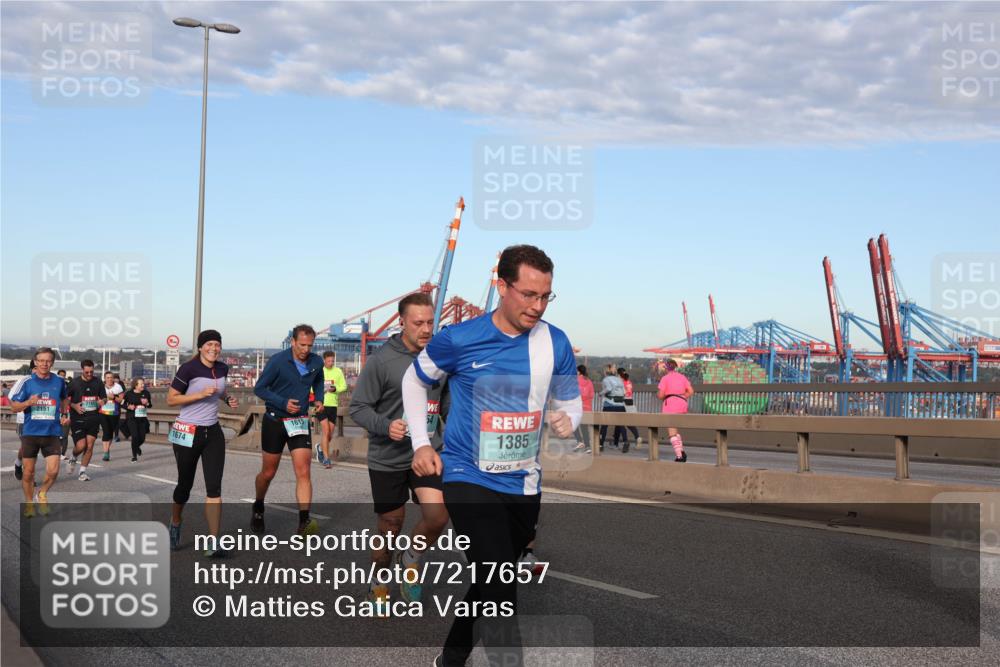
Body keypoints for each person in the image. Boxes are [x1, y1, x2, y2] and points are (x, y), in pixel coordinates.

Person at [402, 244, 581, 667]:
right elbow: (415, 381)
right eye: (528, 294)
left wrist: (568, 419)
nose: (537, 306)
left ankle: (450, 657)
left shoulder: (555, 342)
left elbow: (571, 401)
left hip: (523, 483)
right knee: (502, 586)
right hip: (468, 475)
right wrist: (421, 443)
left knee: (489, 579)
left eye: (545, 296)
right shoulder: (460, 339)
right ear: (501, 286)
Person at [350, 292, 449, 608]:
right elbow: (358, 407)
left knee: (437, 517)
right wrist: (385, 425)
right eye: (418, 323)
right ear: (402, 321)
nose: (426, 329)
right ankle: (379, 579)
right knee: (390, 525)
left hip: (428, 452)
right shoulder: (382, 361)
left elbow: (446, 405)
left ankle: (411, 558)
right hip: (388, 456)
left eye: (431, 322)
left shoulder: (439, 358)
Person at [166, 330, 239, 555]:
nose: (214, 348)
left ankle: (213, 542)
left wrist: (226, 398)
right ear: (200, 347)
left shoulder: (222, 368)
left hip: (213, 432)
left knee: (214, 487)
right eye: (209, 344)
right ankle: (176, 521)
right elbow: (171, 399)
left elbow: (219, 389)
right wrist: (198, 395)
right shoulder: (188, 369)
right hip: (187, 431)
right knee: (184, 487)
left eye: (217, 344)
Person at [252, 324, 325, 537]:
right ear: (293, 341)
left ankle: (304, 521)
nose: (305, 349)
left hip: (300, 422)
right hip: (275, 421)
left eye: (309, 345)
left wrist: (318, 397)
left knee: (303, 471)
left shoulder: (316, 361)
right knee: (268, 473)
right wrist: (283, 403)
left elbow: (318, 379)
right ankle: (258, 506)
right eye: (302, 344)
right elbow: (259, 388)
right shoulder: (278, 361)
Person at [9, 348, 70, 517]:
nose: (44, 364)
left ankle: (42, 493)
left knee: (53, 471)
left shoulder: (59, 381)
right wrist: (29, 402)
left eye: (48, 361)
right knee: (28, 473)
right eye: (41, 360)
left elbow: (64, 398)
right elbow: (14, 407)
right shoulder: (27, 382)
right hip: (31, 433)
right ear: (35, 362)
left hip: (52, 432)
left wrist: (65, 414)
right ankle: (29, 503)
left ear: (52, 363)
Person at [67, 359, 106, 481]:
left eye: (91, 372)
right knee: (81, 446)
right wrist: (74, 406)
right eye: (87, 372)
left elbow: (104, 398)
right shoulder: (74, 383)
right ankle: (73, 456)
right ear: (82, 370)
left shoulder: (98, 382)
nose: (89, 374)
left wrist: (101, 402)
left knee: (89, 447)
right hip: (78, 418)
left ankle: (82, 472)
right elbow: (65, 399)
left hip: (93, 418)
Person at [657, 359, 694, 462]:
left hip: (671, 404)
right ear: (675, 367)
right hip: (682, 404)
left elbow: (660, 395)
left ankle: (679, 456)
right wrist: (682, 397)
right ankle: (681, 452)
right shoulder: (682, 377)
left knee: (672, 432)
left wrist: (663, 397)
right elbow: (691, 391)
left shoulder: (665, 378)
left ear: (666, 368)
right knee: (675, 430)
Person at [316, 350, 347, 468]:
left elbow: (343, 386)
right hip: (320, 405)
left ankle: (320, 447)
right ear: (324, 360)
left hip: (333, 405)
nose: (331, 363)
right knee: (326, 430)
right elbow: (311, 388)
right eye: (328, 361)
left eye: (332, 361)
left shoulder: (338, 371)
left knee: (330, 434)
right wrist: (318, 393)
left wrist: (335, 389)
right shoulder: (319, 371)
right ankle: (326, 459)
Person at [10, 363, 33, 481]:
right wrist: (26, 403)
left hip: (41, 421)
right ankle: (20, 466)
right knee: (27, 448)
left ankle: (25, 470)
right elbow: (12, 399)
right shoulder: (23, 381)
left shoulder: (49, 381)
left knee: (33, 448)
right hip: (23, 420)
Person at [598, 363, 629, 453]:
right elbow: (624, 392)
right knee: (621, 425)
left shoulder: (606, 379)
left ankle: (600, 444)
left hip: (610, 404)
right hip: (620, 405)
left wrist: (601, 393)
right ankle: (625, 441)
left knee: (604, 425)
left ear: (606, 371)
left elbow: (608, 388)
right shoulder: (619, 380)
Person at [123, 378, 152, 462]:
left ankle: (136, 447)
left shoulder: (146, 393)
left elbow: (150, 405)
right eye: (141, 384)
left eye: (143, 384)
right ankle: (134, 456)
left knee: (142, 438)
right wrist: (128, 407)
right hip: (132, 418)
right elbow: (122, 403)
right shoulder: (129, 394)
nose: (143, 385)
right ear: (136, 385)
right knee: (135, 436)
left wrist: (147, 403)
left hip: (142, 418)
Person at [99, 371, 123, 461]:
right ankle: (105, 453)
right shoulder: (101, 387)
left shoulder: (118, 387)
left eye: (111, 377)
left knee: (110, 433)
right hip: (103, 413)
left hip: (114, 413)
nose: (109, 379)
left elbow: (121, 400)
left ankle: (107, 450)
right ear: (104, 378)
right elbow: (98, 399)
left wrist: (113, 398)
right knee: (106, 431)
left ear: (113, 378)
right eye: (107, 377)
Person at [572, 364, 595, 452]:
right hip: (587, 407)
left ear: (578, 372)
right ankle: (587, 447)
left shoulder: (575, 380)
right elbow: (592, 394)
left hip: (577, 407)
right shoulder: (589, 381)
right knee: (584, 427)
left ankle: (579, 441)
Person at [618, 368, 641, 447]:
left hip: (623, 402)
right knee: (629, 423)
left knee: (621, 423)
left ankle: (625, 441)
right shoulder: (629, 382)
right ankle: (637, 437)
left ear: (618, 375)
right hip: (630, 402)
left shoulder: (620, 382)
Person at [57, 370, 70, 458]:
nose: (62, 377)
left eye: (63, 375)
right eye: (60, 375)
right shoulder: (53, 386)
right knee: (57, 435)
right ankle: (57, 451)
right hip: (55, 412)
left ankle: (62, 453)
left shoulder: (69, 387)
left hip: (66, 412)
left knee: (65, 435)